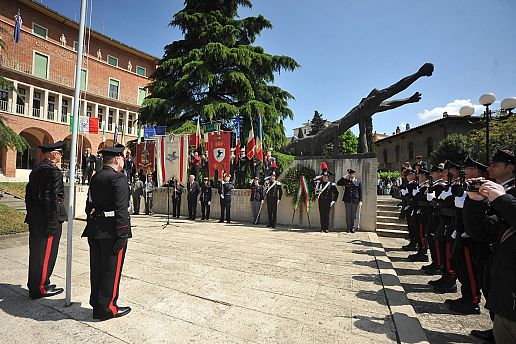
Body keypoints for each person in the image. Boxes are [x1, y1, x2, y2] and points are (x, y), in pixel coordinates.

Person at [464, 149, 515, 343]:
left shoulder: (506, 194)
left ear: (510, 167)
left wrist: (502, 199)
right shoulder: (502, 191)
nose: (490, 167)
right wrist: (475, 202)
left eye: (496, 164)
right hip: (504, 278)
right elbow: (482, 231)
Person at [82, 144, 131, 320]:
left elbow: (89, 205)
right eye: (123, 158)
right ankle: (108, 308)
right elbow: (121, 210)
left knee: (97, 268)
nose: (124, 161)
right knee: (111, 270)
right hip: (112, 231)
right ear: (117, 159)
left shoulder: (95, 178)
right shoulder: (118, 179)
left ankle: (97, 303)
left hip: (95, 229)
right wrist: (123, 233)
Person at [25, 141, 67, 299]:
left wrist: (31, 214)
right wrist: (52, 221)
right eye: (60, 154)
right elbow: (53, 198)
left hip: (36, 217)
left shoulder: (36, 170)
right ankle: (40, 288)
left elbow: (28, 196)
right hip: (47, 219)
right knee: (46, 254)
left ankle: (37, 283)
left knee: (36, 253)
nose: (60, 157)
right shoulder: (53, 171)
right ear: (55, 154)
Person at [337, 168, 363, 233]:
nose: (351, 175)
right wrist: (344, 176)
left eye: (352, 174)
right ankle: (348, 228)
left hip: (355, 200)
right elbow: (338, 183)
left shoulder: (358, 182)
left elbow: (360, 192)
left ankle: (352, 228)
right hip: (347, 200)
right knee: (348, 214)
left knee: (353, 215)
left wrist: (361, 201)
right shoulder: (346, 181)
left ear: (354, 174)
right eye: (350, 174)